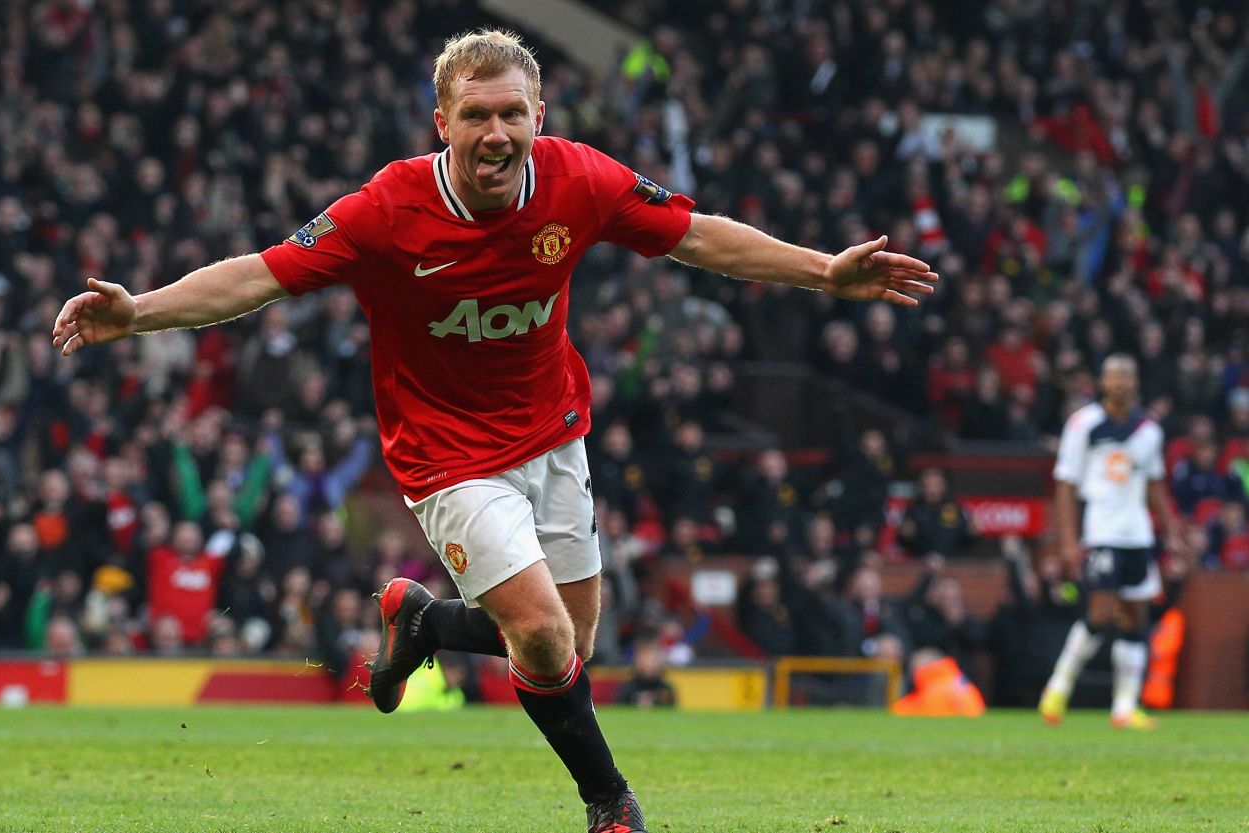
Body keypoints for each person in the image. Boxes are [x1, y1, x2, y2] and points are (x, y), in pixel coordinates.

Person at [51, 29, 937, 833]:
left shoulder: (580, 179)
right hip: (445, 456)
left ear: (539, 115)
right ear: (441, 121)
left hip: (554, 434)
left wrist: (825, 271)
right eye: (475, 115)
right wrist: (141, 314)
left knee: (572, 646)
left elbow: (697, 237)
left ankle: (428, 622)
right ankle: (610, 802)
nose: (496, 134)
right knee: (547, 641)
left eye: (513, 113)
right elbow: (260, 275)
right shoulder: (387, 210)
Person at [1040, 355, 1181, 730]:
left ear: (1135, 382)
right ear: (1102, 382)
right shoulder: (1083, 424)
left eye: (1126, 376)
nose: (1120, 383)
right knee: (1101, 613)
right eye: (1113, 377)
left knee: (1136, 615)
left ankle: (1124, 707)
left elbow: (1154, 485)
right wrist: (1069, 541)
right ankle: (1058, 686)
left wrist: (1171, 531)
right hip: (1101, 529)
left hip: (1137, 533)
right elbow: (1066, 484)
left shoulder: (1149, 430)